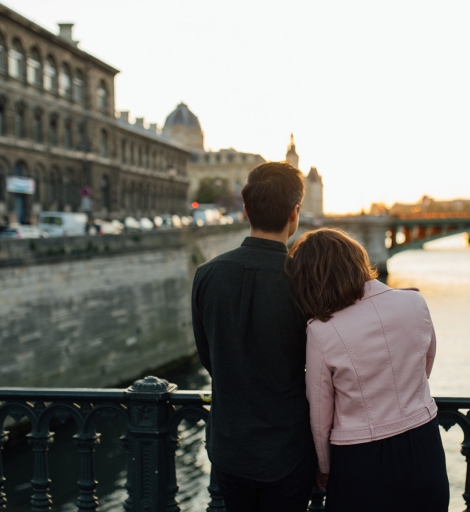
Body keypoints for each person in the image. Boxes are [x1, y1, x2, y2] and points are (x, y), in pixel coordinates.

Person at [287, 228, 449, 512]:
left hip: (360, 457)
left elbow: (320, 414)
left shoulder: (322, 331)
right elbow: (426, 364)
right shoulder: (414, 302)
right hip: (423, 443)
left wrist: (324, 467)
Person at [191, 162, 316, 511]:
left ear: (246, 210)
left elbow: (208, 356)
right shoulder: (302, 279)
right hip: (287, 448)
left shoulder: (207, 274)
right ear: (295, 214)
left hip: (229, 447)